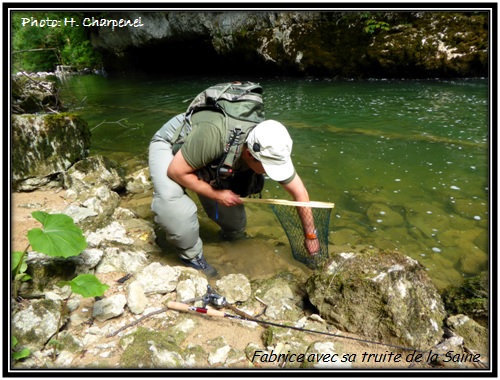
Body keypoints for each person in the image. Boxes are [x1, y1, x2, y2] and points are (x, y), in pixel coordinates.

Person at [149, 109, 319, 277]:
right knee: (175, 209)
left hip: (208, 154)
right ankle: (192, 257)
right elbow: (176, 172)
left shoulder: (272, 146)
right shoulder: (214, 137)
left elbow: (300, 193)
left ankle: (229, 239)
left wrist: (310, 236)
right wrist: (217, 195)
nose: (270, 172)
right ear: (248, 154)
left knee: (235, 224)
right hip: (173, 143)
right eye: (268, 168)